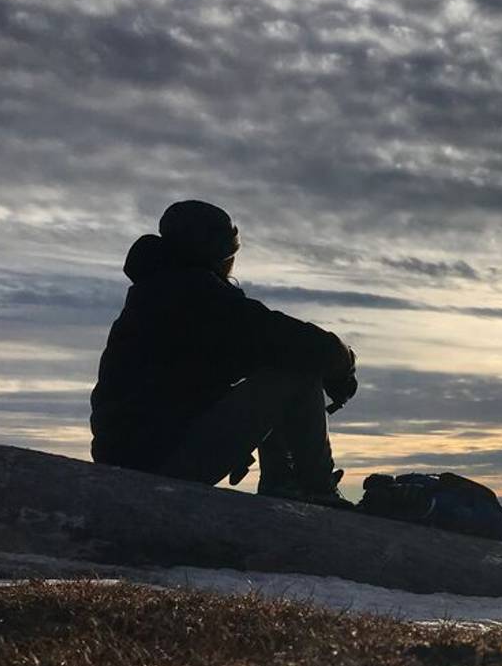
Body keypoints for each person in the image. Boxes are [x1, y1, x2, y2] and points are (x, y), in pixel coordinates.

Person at [89, 200, 359, 507]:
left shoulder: (160, 292)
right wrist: (343, 363)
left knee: (281, 361)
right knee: (296, 372)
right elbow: (285, 338)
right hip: (158, 462)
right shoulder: (194, 294)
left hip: (141, 453)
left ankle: (285, 480)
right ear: (211, 254)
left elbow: (179, 382)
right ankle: (314, 487)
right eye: (228, 257)